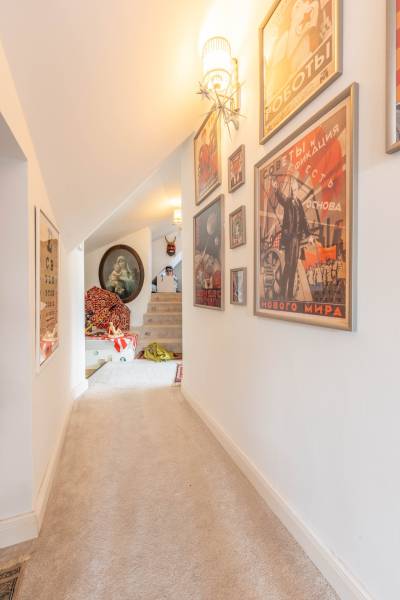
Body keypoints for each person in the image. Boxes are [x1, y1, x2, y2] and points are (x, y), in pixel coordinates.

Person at [271, 176, 314, 300]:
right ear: (291, 190)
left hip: (297, 239)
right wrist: (276, 189)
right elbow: (281, 198)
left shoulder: (299, 203)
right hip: (289, 238)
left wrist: (309, 235)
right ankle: (282, 293)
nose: (294, 192)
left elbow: (304, 220)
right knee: (288, 265)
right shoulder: (288, 202)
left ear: (297, 190)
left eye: (295, 189)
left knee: (294, 266)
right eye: (292, 190)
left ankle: (289, 295)